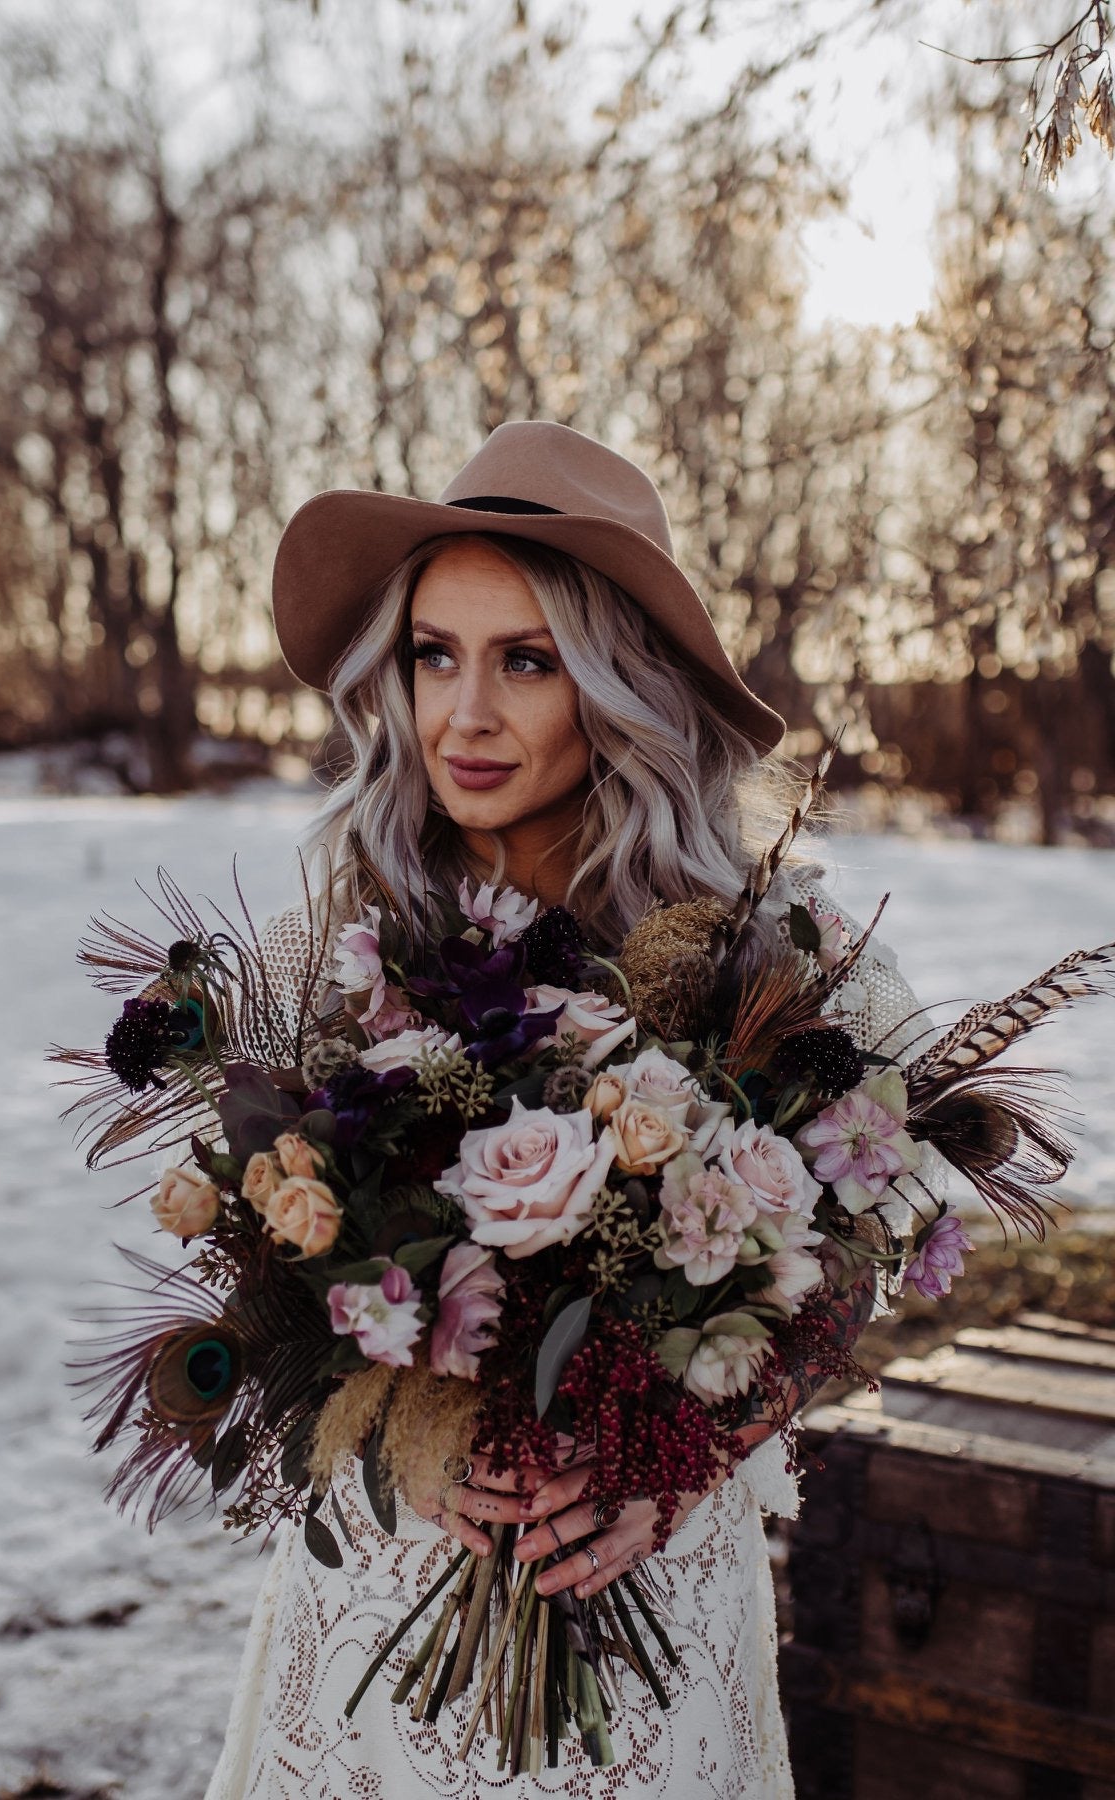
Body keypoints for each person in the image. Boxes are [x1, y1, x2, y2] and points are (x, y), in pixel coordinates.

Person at [204, 422, 930, 1798]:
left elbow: (869, 1231)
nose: (463, 716)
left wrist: (679, 1447)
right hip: (391, 1585)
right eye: (435, 652)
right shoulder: (353, 932)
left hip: (647, 1579)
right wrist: (398, 1430)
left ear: (619, 681)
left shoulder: (773, 941)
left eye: (527, 659)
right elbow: (265, 1268)